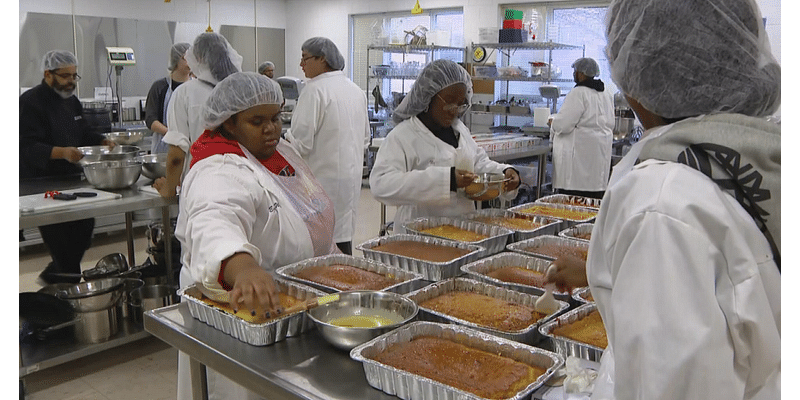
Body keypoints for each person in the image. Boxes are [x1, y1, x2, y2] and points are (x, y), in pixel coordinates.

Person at [546, 0, 781, 398]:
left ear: (640, 77)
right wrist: (600, 273)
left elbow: (665, 385)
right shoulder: (753, 155)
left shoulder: (663, 201)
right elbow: (738, 284)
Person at [175, 71, 339, 399]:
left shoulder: (279, 152)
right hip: (244, 310)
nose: (271, 128)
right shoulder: (218, 169)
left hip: (292, 303)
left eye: (276, 118)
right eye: (257, 121)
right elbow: (215, 222)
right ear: (229, 123)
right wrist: (245, 268)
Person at [369, 59, 521, 233]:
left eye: (461, 103)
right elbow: (381, 185)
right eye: (449, 101)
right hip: (419, 234)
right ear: (428, 97)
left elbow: (478, 163)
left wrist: (506, 172)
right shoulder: (403, 136)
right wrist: (445, 180)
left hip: (463, 231)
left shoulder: (459, 129)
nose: (455, 109)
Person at [19, 50, 116, 284]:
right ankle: (65, 293)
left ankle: (57, 277)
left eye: (74, 76)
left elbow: (82, 132)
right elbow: (26, 146)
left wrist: (101, 140)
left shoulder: (71, 101)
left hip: (71, 179)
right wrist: (62, 152)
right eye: (65, 76)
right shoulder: (29, 102)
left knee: (85, 225)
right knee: (61, 240)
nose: (71, 81)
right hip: (41, 184)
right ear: (48, 74)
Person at [284, 37, 369, 254]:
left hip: (319, 184)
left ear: (322, 59)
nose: (301, 65)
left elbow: (300, 143)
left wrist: (284, 139)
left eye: (305, 59)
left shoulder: (314, 91)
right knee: (342, 240)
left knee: (320, 245)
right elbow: (366, 139)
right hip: (350, 184)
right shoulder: (355, 90)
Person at [153, 32, 242, 198]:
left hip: (201, 188)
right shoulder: (239, 90)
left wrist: (169, 189)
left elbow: (177, 155)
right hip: (240, 184)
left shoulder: (185, 93)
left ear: (199, 57)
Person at [548, 57, 614, 199]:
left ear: (582, 74)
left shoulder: (578, 93)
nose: (574, 74)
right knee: (593, 204)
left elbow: (564, 124)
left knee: (573, 205)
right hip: (598, 162)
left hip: (578, 167)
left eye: (575, 71)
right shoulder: (605, 93)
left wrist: (553, 122)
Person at [144, 42, 191, 154]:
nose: (190, 62)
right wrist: (171, 135)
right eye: (186, 58)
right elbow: (151, 119)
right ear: (176, 60)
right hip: (163, 148)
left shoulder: (196, 88)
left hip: (191, 147)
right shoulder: (159, 87)